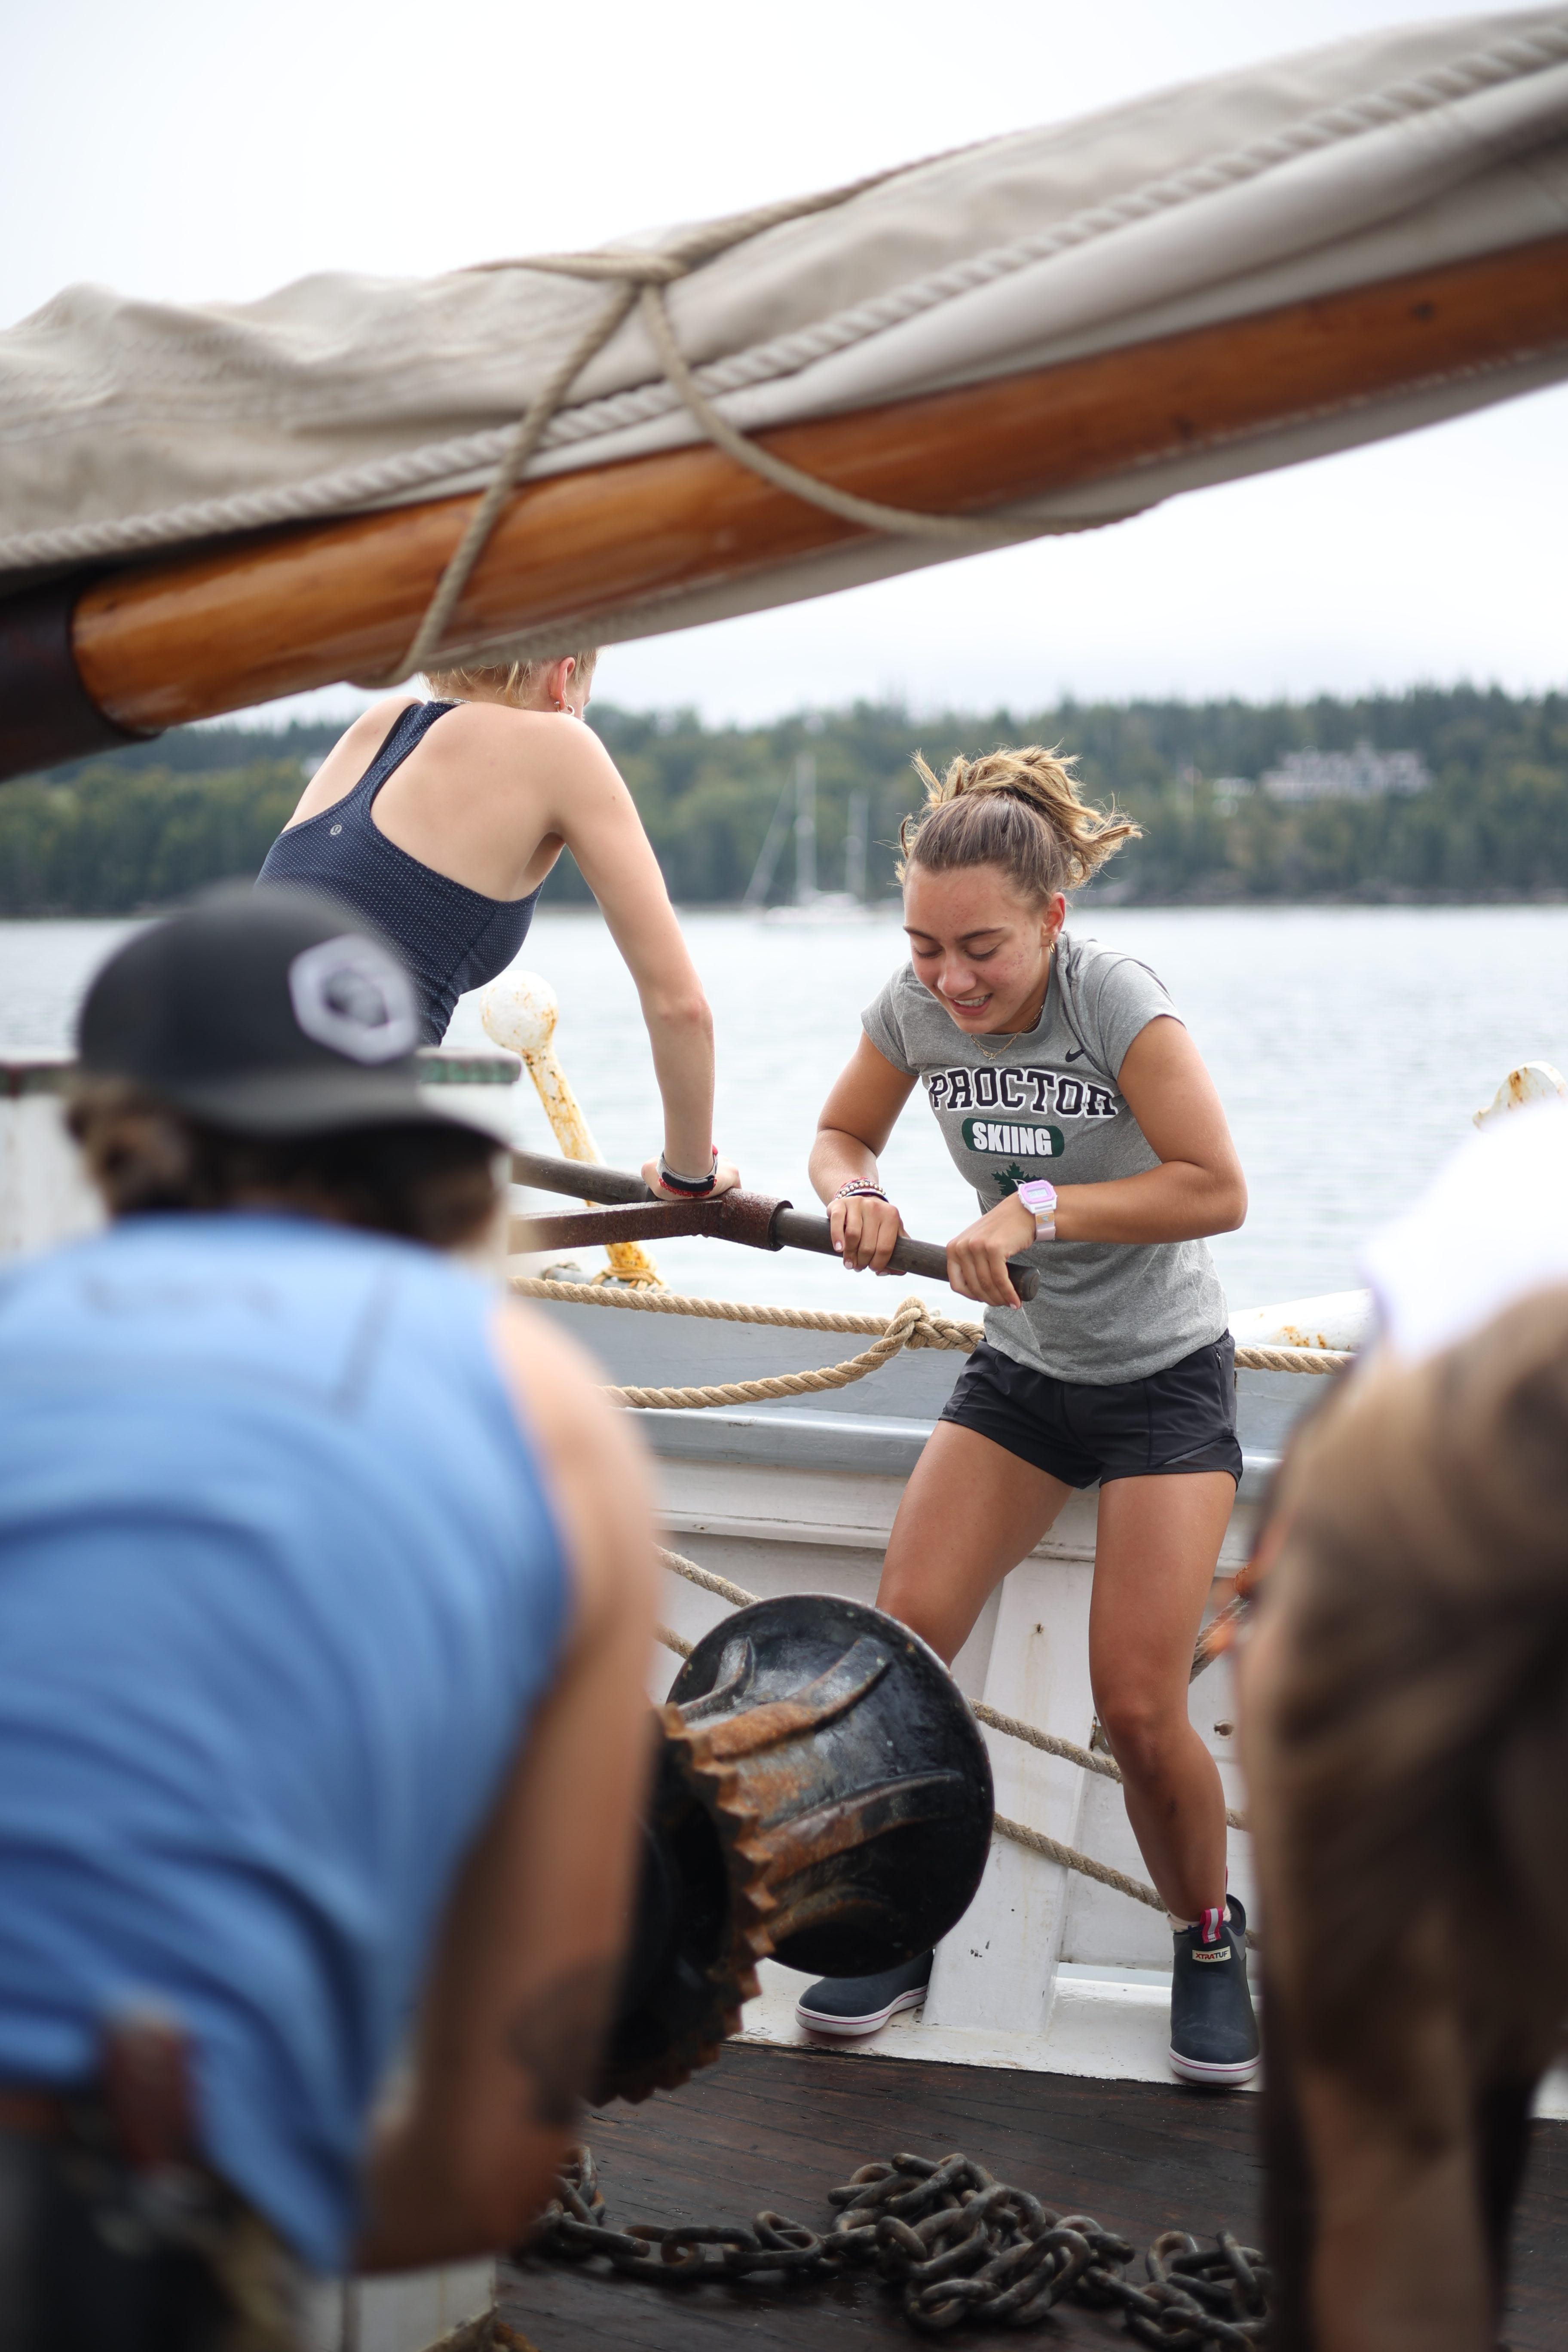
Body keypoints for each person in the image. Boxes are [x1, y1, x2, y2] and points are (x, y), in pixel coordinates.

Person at [0, 887, 658, 2349]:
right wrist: (262, 2190)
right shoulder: (551, 1420)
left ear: (111, 1141)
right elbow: (482, 2175)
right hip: (103, 2219)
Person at [793, 746, 1255, 2086]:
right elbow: (837, 1134)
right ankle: (900, 1923)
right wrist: (857, 1192)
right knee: (899, 1651)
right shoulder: (914, 1006)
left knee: (1137, 1699)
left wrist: (1038, 1206)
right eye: (925, 947)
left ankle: (1208, 1937)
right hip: (1024, 1376)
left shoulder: (1116, 1000)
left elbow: (1214, 1186)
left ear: (1051, 919)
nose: (950, 979)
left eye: (980, 947)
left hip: (1164, 1380)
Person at [1238, 1097, 1568, 2350]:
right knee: (1395, 2139)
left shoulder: (1520, 1179)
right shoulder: (1519, 1189)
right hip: (1407, 1560)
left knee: (1392, 2155)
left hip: (1396, 1567)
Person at [259, 652, 736, 1204]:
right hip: (336, 1152)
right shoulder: (562, 745)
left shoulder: (382, 725)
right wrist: (689, 1175)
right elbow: (680, 1005)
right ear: (564, 677)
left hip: (185, 1102)